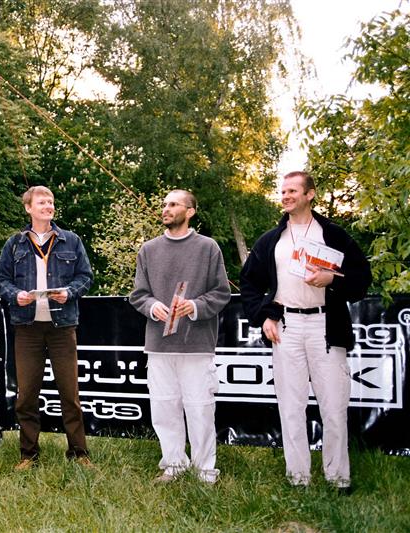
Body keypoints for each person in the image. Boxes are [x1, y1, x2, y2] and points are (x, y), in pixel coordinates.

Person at [240, 171, 371, 490]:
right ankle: (298, 478)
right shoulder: (271, 240)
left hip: (326, 327)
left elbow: (361, 278)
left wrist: (332, 279)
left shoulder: (333, 235)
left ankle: (338, 478)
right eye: (283, 191)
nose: (285, 196)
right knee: (291, 407)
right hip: (286, 327)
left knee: (334, 407)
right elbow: (249, 283)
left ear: (310, 194)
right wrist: (264, 317)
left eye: (293, 191)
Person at [129, 189, 230, 483]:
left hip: (196, 344)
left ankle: (205, 470)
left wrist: (195, 306)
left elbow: (221, 293)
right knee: (164, 408)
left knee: (200, 409)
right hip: (158, 345)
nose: (166, 208)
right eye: (165, 204)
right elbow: (138, 294)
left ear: (190, 211)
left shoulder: (208, 248)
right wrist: (152, 307)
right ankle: (173, 465)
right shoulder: (148, 250)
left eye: (173, 204)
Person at [0, 186, 94, 470]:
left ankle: (79, 453)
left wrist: (69, 292)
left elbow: (85, 276)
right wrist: (15, 295)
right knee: (26, 394)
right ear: (28, 208)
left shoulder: (71, 240)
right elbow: (1, 278)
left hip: (62, 327)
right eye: (41, 202)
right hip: (27, 328)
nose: (48, 206)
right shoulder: (15, 244)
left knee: (69, 393)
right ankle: (28, 455)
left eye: (50, 202)